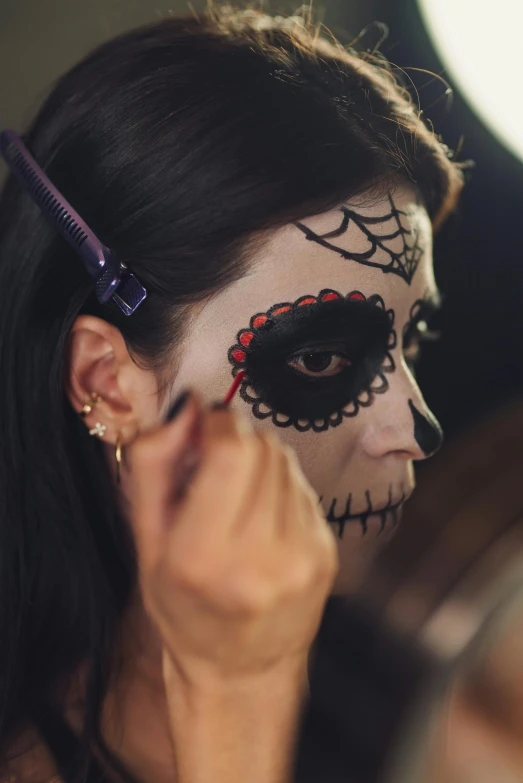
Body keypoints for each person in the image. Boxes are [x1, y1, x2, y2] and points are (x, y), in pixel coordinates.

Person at [0, 4, 464, 782]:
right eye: (320, 359)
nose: (415, 427)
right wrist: (239, 690)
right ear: (107, 384)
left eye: (408, 339)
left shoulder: (448, 706)